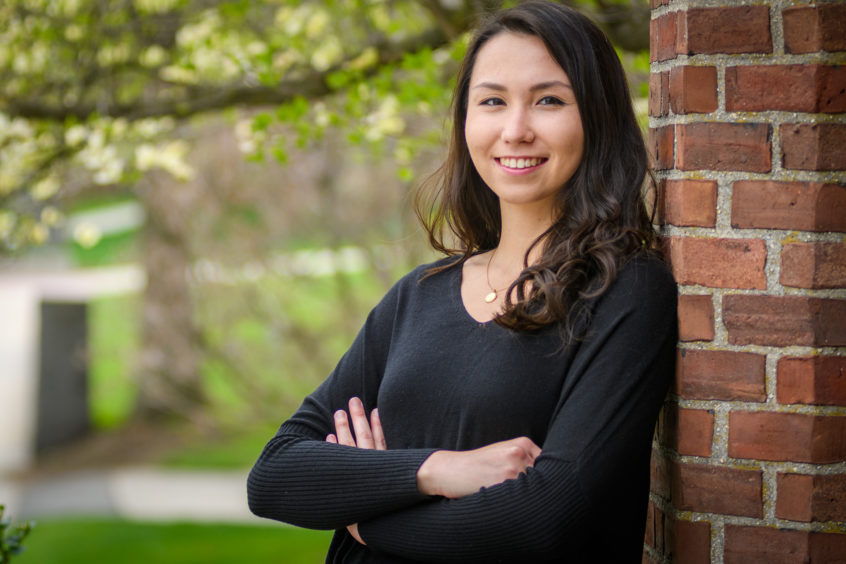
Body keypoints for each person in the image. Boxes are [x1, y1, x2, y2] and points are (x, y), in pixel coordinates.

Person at [247, 1, 677, 562]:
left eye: (549, 100)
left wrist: (366, 516)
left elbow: (544, 516)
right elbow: (275, 473)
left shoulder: (624, 291)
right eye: (492, 101)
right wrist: (439, 471)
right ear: (466, 120)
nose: (515, 130)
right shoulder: (419, 294)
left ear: (596, 117)